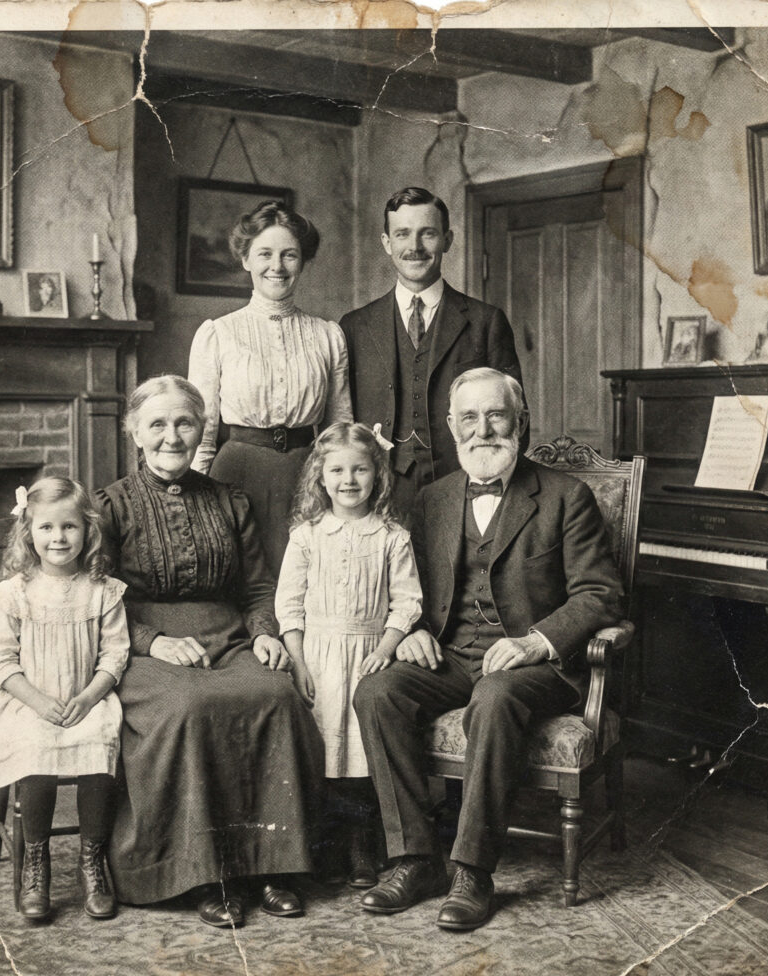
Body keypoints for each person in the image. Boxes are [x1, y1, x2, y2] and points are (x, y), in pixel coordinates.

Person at [353, 367, 622, 931]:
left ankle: (472, 871)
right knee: (378, 691)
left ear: (520, 421)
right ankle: (414, 859)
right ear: (452, 428)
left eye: (496, 414)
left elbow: (600, 594)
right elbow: (410, 587)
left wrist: (534, 642)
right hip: (452, 655)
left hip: (538, 665)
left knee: (496, 697)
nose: (483, 430)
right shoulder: (432, 499)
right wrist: (416, 628)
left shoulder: (566, 496)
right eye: (469, 418)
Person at [97, 374, 324, 929]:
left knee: (276, 696)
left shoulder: (230, 501)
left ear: (202, 429)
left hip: (230, 638)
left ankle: (270, 865)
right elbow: (96, 599)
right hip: (141, 649)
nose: (171, 436)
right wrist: (154, 641)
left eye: (184, 423)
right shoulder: (110, 506)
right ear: (135, 432)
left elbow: (255, 587)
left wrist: (267, 631)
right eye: (157, 424)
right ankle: (206, 874)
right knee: (190, 710)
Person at [0, 477, 129, 922]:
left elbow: (115, 654)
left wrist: (91, 695)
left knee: (101, 748)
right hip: (27, 700)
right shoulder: (16, 592)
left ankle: (91, 860)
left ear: (87, 531)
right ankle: (36, 861)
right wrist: (36, 701)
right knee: (35, 753)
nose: (59, 538)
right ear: (29, 533)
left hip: (86, 698)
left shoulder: (103, 589)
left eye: (70, 527)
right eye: (47, 528)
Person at [275, 422, 422, 888]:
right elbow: (288, 604)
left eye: (360, 469)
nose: (349, 480)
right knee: (323, 751)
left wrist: (385, 648)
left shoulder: (391, 536)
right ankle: (326, 843)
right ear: (320, 477)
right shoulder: (307, 535)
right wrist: (298, 660)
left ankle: (362, 843)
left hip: (367, 653)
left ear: (377, 475)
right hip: (317, 654)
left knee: (360, 753)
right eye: (337, 470)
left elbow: (408, 601)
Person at [340, 187, 526, 519]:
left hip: (464, 493)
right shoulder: (355, 326)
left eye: (427, 234)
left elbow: (515, 421)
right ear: (386, 243)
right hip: (379, 496)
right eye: (402, 234)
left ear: (447, 240)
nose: (414, 247)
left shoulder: (486, 321)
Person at [188, 199, 353, 573]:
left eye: (289, 255)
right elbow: (204, 430)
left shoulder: (328, 335)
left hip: (306, 475)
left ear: (302, 261)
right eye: (265, 254)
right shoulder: (218, 333)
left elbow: (338, 426)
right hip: (236, 475)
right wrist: (195, 497)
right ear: (246, 259)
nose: (276, 266)